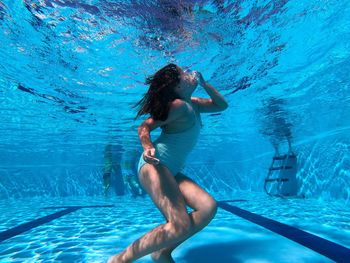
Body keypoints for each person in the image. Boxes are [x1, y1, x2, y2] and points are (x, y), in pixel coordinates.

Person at [108, 63, 228, 263]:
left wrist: (205, 84)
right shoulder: (178, 106)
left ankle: (162, 252)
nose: (190, 74)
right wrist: (147, 147)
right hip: (155, 165)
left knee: (207, 207)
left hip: (169, 169)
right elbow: (145, 126)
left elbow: (222, 105)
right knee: (179, 223)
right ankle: (119, 260)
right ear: (177, 87)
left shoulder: (194, 103)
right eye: (184, 75)